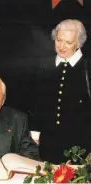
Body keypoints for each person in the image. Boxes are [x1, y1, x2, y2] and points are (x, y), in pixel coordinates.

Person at [33, 19, 91, 164]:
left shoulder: (87, 68)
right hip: (48, 145)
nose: (62, 46)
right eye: (59, 40)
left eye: (68, 42)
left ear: (79, 43)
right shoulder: (44, 64)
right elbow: (35, 100)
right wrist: (34, 130)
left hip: (81, 147)